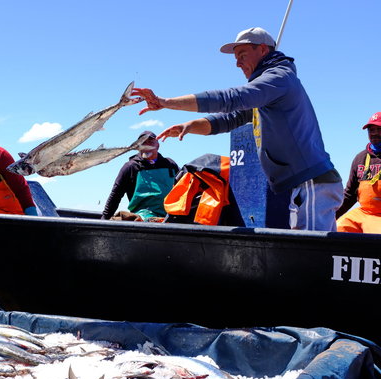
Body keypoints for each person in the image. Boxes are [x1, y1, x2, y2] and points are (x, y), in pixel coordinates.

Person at [131, 27, 343, 231]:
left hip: (312, 183)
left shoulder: (280, 78)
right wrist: (189, 126)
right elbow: (228, 119)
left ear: (262, 49)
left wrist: (165, 102)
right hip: (302, 186)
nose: (238, 64)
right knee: (305, 256)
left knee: (312, 261)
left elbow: (232, 99)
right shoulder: (265, 94)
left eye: (242, 54)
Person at [101, 131, 179, 221]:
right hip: (142, 217)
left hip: (170, 215)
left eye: (150, 142)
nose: (147, 146)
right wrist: (104, 220)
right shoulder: (130, 167)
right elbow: (115, 195)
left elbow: (183, 188)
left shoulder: (170, 164)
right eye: (143, 143)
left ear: (158, 145)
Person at [336, 112, 381, 233]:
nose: (375, 133)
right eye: (371, 130)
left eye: (379, 129)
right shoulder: (360, 158)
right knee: (338, 227)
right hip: (363, 213)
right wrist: (331, 217)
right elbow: (350, 194)